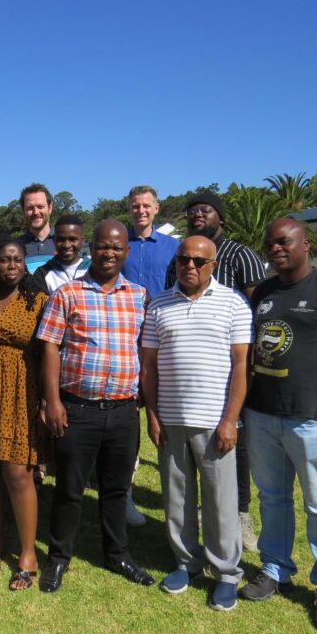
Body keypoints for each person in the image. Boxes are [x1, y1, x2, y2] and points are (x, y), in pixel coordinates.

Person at [240, 217, 317, 631]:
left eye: (284, 242)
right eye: (270, 244)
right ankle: (276, 567)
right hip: (262, 414)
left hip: (311, 418)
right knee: (272, 497)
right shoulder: (263, 293)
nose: (276, 249)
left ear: (305, 244)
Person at [36, 220, 154, 593]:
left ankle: (116, 553)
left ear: (126, 253)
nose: (109, 253)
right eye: (103, 246)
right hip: (78, 409)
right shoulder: (67, 294)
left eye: (117, 248)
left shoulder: (139, 295)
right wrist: (52, 400)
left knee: (116, 489)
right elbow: (50, 347)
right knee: (70, 489)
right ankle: (58, 558)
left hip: (123, 411)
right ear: (93, 248)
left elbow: (143, 350)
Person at [140, 236, 253, 612]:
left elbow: (241, 367)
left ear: (213, 265)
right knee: (177, 500)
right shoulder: (158, 306)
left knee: (221, 503)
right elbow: (149, 367)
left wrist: (230, 420)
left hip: (214, 422)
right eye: (183, 260)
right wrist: (153, 414)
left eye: (199, 262)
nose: (189, 266)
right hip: (171, 421)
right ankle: (187, 563)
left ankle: (225, 572)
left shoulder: (233, 304)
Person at [166, 191, 269, 552]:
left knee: (232, 436)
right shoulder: (177, 258)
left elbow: (257, 305)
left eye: (205, 210)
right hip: (187, 372)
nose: (197, 215)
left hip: (231, 353)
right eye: (192, 210)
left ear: (219, 218)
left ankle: (240, 511)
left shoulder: (240, 255)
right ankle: (195, 526)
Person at [0, 236, 49, 590]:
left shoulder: (38, 301)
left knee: (18, 473)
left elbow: (49, 353)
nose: (13, 265)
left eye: (18, 259)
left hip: (22, 391)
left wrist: (48, 400)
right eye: (4, 260)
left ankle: (29, 552)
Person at [119, 186, 180, 527]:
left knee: (165, 421)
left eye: (146, 206)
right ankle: (125, 497)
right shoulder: (119, 243)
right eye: (135, 206)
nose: (140, 211)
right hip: (126, 341)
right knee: (129, 422)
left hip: (163, 342)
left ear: (156, 209)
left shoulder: (173, 248)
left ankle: (177, 502)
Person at [33, 215, 90, 293]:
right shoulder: (43, 273)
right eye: (61, 240)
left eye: (72, 239)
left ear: (82, 241)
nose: (66, 245)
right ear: (54, 241)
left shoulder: (93, 268)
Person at [18, 183, 56, 272]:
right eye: (30, 208)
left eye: (40, 207)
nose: (36, 212)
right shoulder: (16, 247)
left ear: (50, 208)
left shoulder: (64, 242)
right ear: (23, 211)